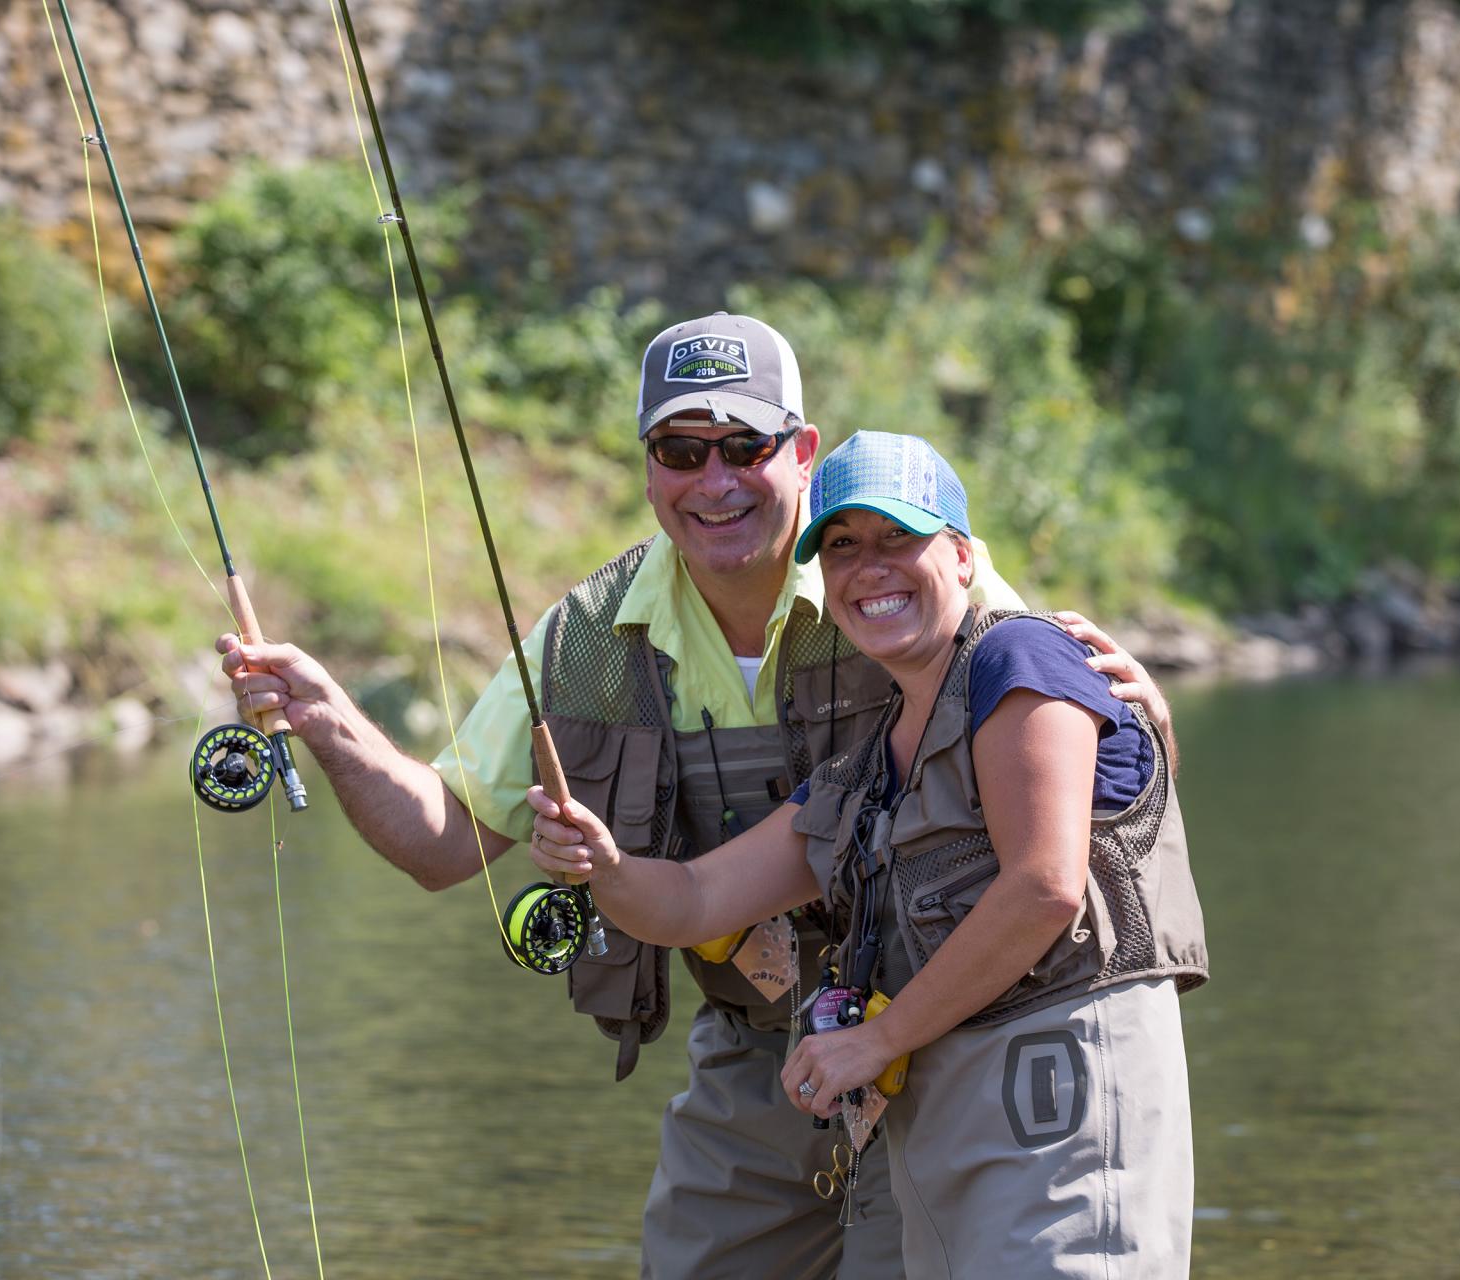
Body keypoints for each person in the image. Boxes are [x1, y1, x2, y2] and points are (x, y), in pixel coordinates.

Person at [217, 316, 1173, 1280]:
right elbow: (442, 847)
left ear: (800, 452)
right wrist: (327, 720)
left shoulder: (909, 585)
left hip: (943, 1044)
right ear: (648, 469)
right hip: (757, 1055)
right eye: (681, 450)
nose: (714, 480)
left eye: (744, 447)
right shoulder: (586, 640)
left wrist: (1152, 723)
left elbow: (1076, 784)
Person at [524, 431, 1207, 1279]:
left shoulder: (1021, 658)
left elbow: (1044, 888)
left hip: (1062, 1098)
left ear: (961, 557)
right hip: (953, 1112)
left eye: (898, 539)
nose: (868, 568)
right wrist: (603, 866)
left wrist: (876, 1040)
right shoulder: (862, 772)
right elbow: (694, 902)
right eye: (841, 547)